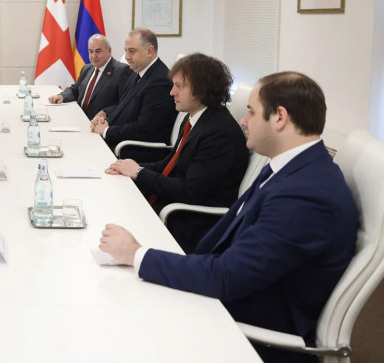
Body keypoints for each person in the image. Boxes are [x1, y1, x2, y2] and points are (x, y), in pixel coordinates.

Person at [99, 72, 358, 363]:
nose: (243, 121)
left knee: (116, 328)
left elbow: (228, 276)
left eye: (251, 112)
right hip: (229, 297)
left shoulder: (306, 196)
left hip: (244, 331)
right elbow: (227, 245)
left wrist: (136, 254)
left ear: (280, 117)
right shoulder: (291, 168)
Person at [106, 53, 249, 252]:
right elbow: (172, 162)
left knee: (115, 217)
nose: (172, 92)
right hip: (175, 204)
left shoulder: (219, 132)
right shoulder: (196, 118)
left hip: (191, 220)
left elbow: (189, 191)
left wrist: (139, 173)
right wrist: (128, 167)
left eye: (179, 86)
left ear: (202, 89)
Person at [90, 28, 177, 163]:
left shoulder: (160, 81)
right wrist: (105, 121)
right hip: (123, 142)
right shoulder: (137, 73)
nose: (127, 57)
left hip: (138, 153)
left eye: (132, 51)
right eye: (126, 51)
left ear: (150, 51)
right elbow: (122, 108)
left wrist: (106, 130)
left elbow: (144, 129)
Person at [48, 34, 131, 119]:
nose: (93, 56)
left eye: (98, 51)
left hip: (99, 123)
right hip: (78, 117)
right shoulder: (87, 68)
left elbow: (126, 103)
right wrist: (62, 96)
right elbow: (75, 89)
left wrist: (106, 112)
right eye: (91, 51)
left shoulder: (122, 71)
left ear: (109, 51)